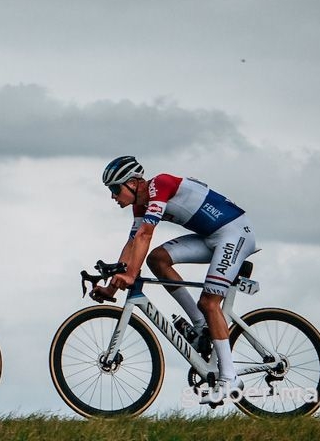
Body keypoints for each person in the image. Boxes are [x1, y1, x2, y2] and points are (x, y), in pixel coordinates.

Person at [94, 155, 258, 406]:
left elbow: (146, 234)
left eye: (115, 189)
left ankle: (230, 378)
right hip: (210, 236)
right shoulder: (140, 204)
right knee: (157, 260)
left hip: (234, 233)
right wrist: (112, 286)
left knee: (210, 302)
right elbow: (133, 243)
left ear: (133, 183)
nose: (113, 196)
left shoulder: (160, 185)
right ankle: (201, 325)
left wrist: (129, 275)